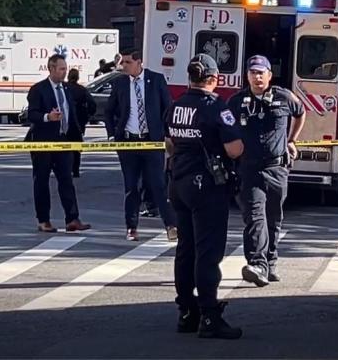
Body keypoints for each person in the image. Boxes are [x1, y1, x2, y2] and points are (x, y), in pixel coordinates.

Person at [166, 53, 245, 340]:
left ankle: (187, 312)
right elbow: (235, 149)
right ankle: (210, 315)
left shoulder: (176, 106)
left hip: (179, 183)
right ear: (214, 80)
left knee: (185, 249)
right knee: (208, 252)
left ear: (190, 77)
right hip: (207, 186)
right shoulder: (216, 107)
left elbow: (169, 143)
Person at [228, 55, 305, 287]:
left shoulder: (284, 96)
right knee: (254, 217)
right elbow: (226, 126)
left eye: (261, 72)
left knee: (273, 218)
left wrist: (292, 140)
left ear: (269, 75)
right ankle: (257, 263)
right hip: (249, 169)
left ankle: (271, 261)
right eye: (253, 72)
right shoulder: (236, 101)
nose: (257, 76)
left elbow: (301, 112)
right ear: (247, 76)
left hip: (277, 168)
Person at [106, 48, 177, 241]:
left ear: (139, 62)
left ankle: (171, 225)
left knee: (158, 184)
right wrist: (112, 134)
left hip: (151, 141)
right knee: (131, 186)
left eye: (128, 62)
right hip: (128, 142)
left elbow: (167, 109)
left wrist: (168, 135)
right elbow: (109, 111)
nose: (124, 66)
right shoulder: (119, 83)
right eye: (123, 63)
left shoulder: (156, 80)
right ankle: (131, 227)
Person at [26, 55, 91, 233]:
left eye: (65, 68)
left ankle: (72, 218)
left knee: (66, 180)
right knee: (42, 181)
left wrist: (76, 134)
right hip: (43, 142)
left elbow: (72, 113)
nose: (64, 72)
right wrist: (48, 117)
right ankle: (43, 220)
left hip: (64, 141)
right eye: (61, 69)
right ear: (51, 68)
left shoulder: (67, 89)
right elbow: (31, 114)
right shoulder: (38, 89)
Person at [66, 68, 96, 178]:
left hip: (64, 121)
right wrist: (87, 115)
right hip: (79, 121)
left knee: (63, 146)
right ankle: (76, 170)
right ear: (77, 77)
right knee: (76, 147)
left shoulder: (64, 88)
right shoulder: (82, 90)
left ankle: (65, 168)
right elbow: (92, 104)